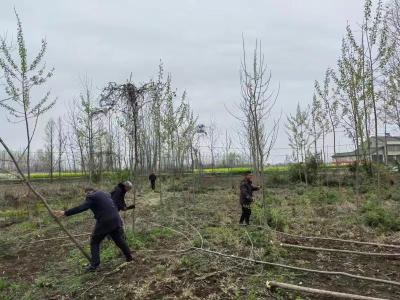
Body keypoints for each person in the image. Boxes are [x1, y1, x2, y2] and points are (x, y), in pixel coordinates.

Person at [53, 187, 133, 271]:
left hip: (105, 221)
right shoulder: (104, 194)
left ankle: (94, 265)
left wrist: (65, 213)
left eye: (86, 194)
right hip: (116, 219)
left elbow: (82, 207)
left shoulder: (91, 197)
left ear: (88, 192)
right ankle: (129, 257)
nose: (86, 196)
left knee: (94, 242)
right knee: (118, 240)